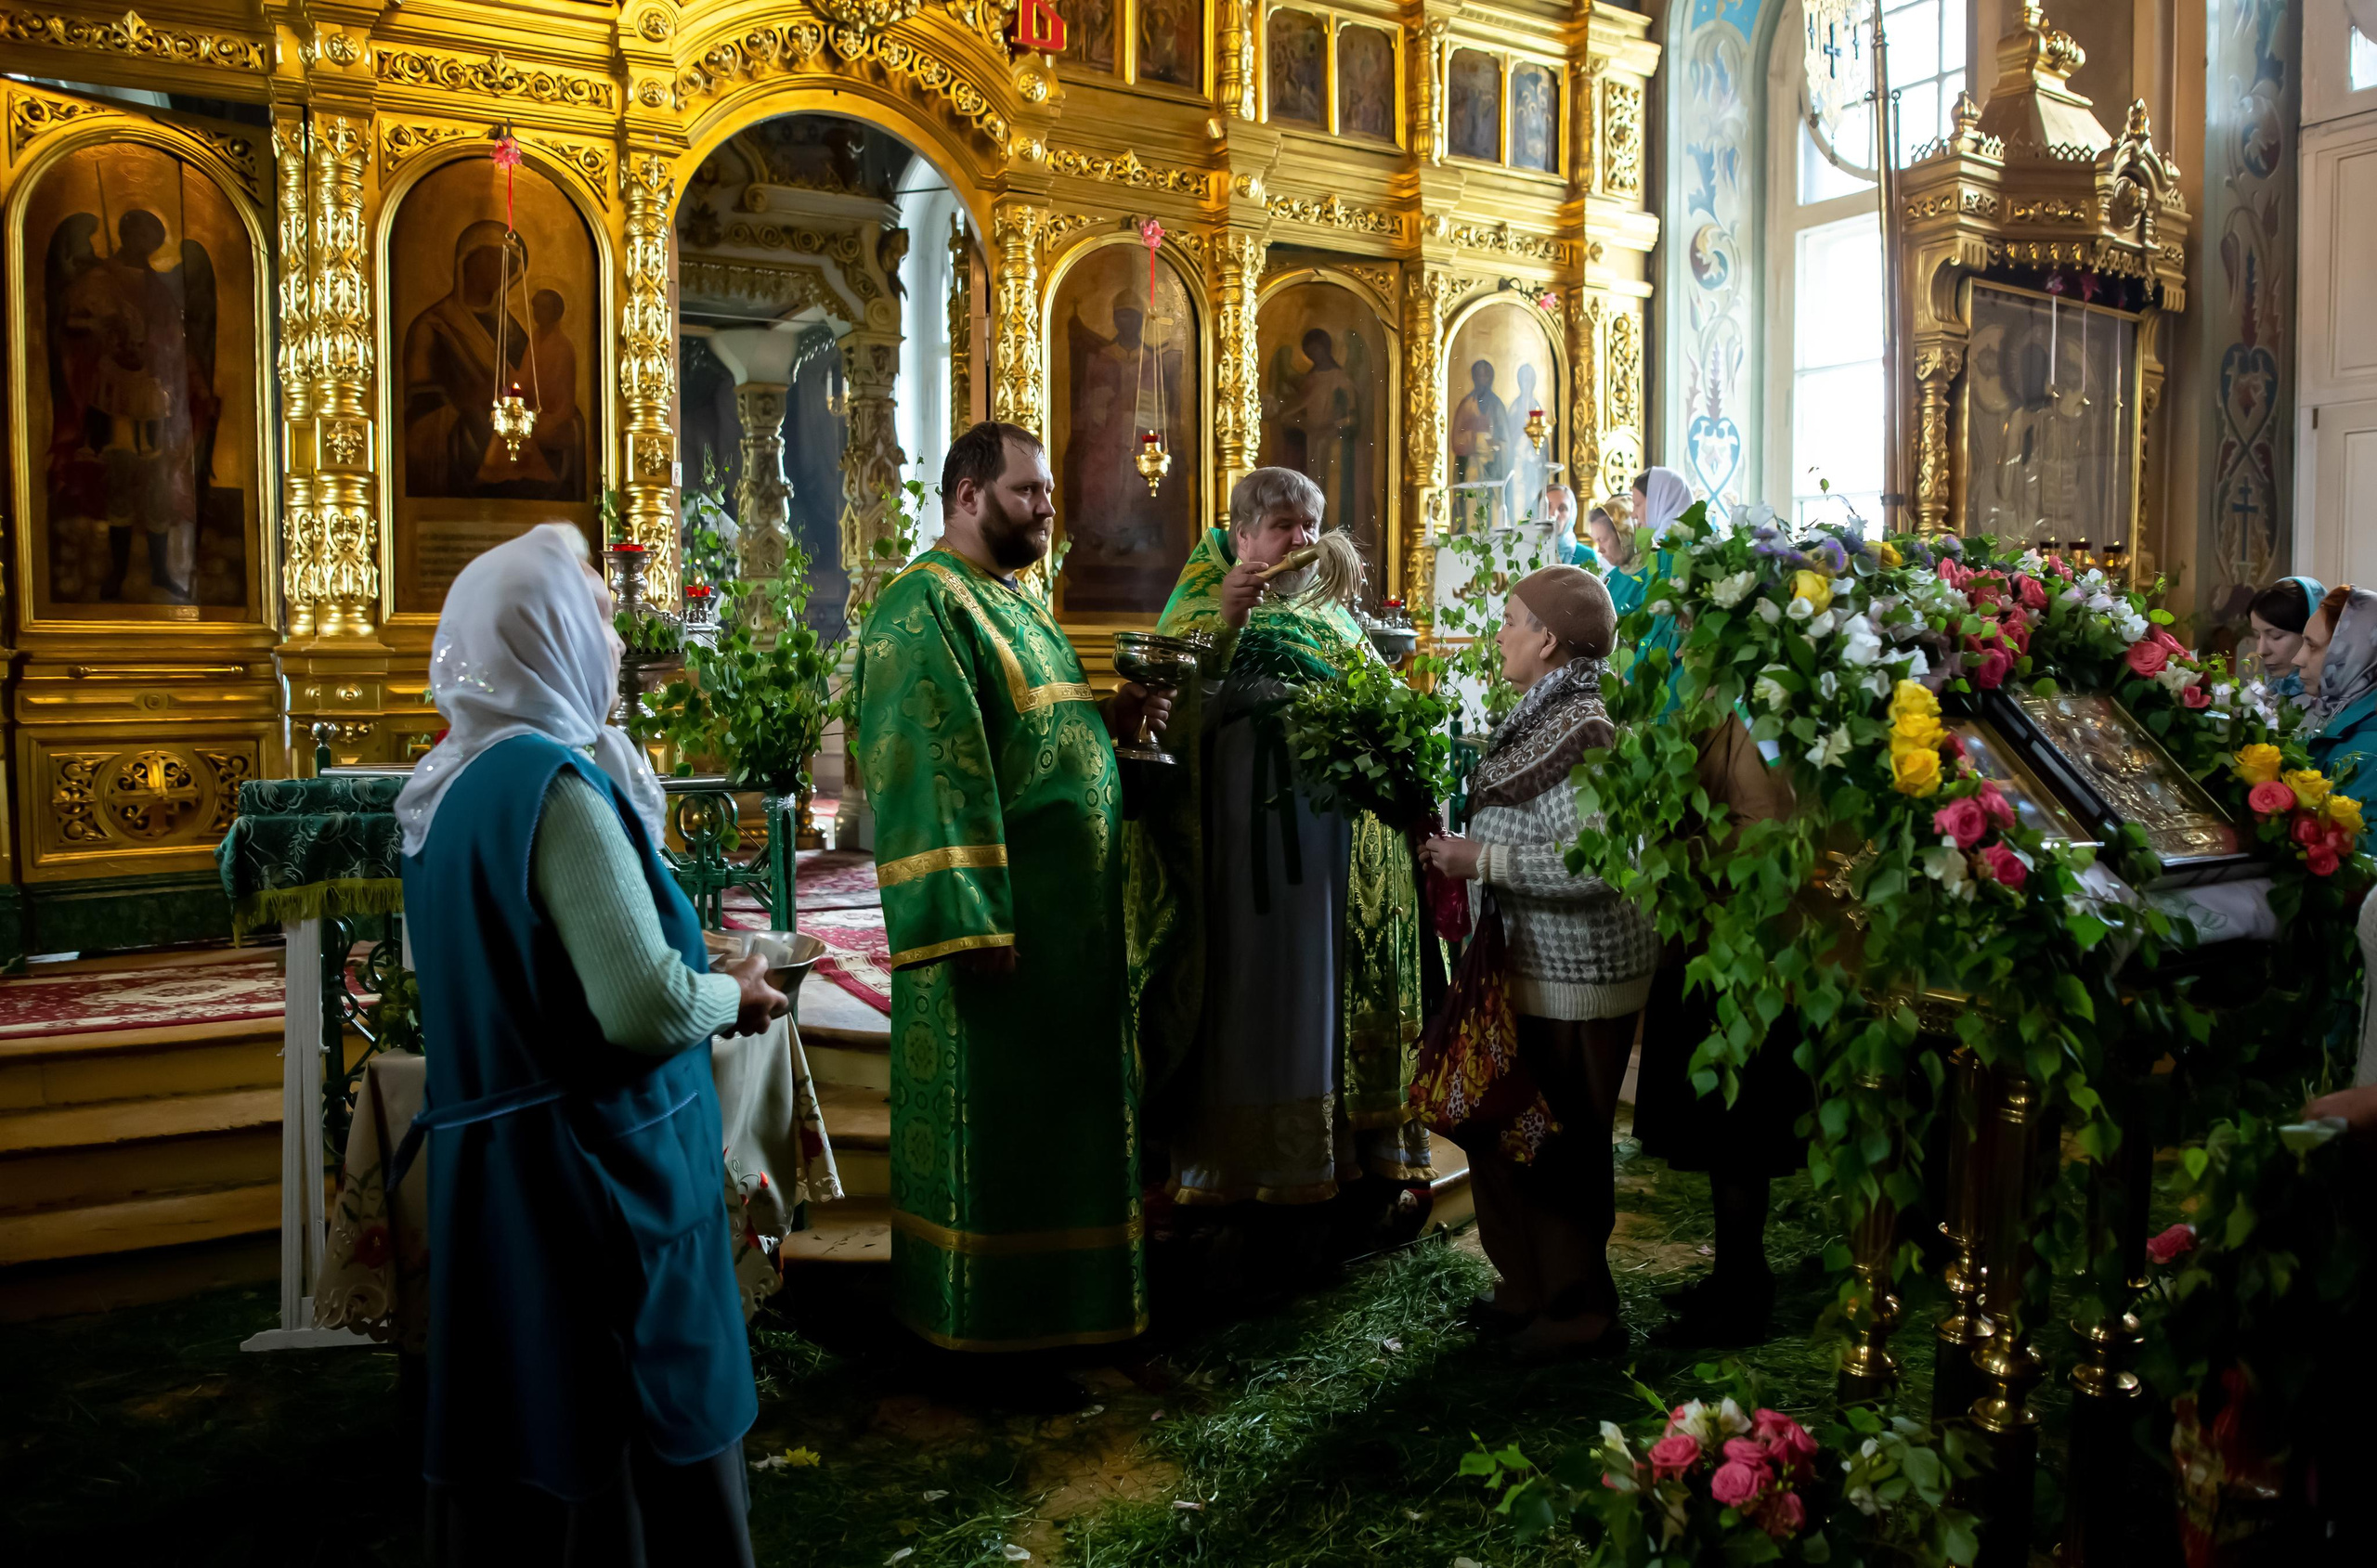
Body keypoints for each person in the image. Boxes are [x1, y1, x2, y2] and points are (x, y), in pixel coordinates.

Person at [395, 523, 782, 1566]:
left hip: (498, 1181)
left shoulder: (446, 790)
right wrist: (732, 992)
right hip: (595, 1175)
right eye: (601, 621)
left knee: (524, 1430)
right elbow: (642, 1007)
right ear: (548, 632)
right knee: (620, 1444)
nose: (615, 646)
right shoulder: (550, 789)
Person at [853, 421, 1171, 1399]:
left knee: (1065, 1134)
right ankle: (991, 1339)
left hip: (1067, 940)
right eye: (1028, 491)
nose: (1045, 508)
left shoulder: (1012, 605)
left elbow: (1037, 746)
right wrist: (966, 915)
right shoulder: (922, 610)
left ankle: (1072, 1322)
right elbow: (928, 771)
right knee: (1003, 1137)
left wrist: (1109, 725)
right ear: (965, 496)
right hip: (1002, 939)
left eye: (1046, 494)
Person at [1131, 467, 1432, 1284]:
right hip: (1240, 859)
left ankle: (1331, 1161)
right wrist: (1224, 633)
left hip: (1326, 866)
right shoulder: (1203, 599)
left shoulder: (1327, 608)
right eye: (1285, 525)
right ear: (1243, 532)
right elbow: (1163, 720)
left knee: (1318, 1000)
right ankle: (1231, 1176)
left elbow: (1372, 698)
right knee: (1253, 1004)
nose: (1302, 540)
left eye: (1311, 525)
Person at [1419, 567, 1658, 1357]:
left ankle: (1578, 1311)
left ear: (1549, 639)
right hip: (1528, 970)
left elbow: (1602, 865)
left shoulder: (1585, 726)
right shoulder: (1541, 716)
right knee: (1507, 1131)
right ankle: (1524, 1287)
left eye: (1513, 619)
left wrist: (1481, 859)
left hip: (1577, 977)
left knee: (1556, 1149)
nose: (1501, 633)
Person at [1630, 708, 1808, 1345]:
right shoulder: (1723, 704)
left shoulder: (1761, 716)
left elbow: (1763, 834)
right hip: (1711, 946)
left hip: (1741, 960)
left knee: (1739, 1138)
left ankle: (1740, 1295)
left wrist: (1677, 848)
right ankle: (1734, 1272)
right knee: (1723, 1138)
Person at [2295, 584, 2377, 846]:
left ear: (2352, 654)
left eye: (2312, 646)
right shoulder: (2328, 714)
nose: (2299, 658)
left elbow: (2354, 860)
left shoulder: (2371, 749)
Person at [2248, 576, 2326, 701]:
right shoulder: (2264, 697)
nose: (2261, 651)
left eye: (2276, 636)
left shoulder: (2334, 706)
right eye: (2257, 636)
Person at [1541, 484, 1593, 568]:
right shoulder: (1527, 553)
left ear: (1572, 514)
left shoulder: (1586, 556)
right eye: (1547, 507)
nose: (1554, 515)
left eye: (1562, 509)